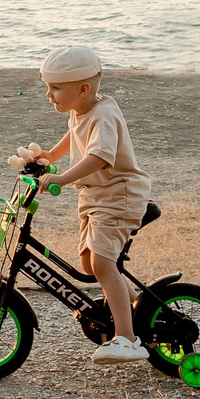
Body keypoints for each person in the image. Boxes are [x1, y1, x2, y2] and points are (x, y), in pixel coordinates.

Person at [23, 44, 152, 363]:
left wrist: (61, 178)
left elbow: (99, 155)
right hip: (98, 197)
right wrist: (50, 156)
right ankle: (136, 303)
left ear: (82, 89)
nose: (48, 95)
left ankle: (127, 338)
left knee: (103, 264)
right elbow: (74, 135)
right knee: (88, 262)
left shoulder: (104, 115)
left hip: (118, 196)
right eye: (47, 87)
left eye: (54, 88)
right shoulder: (81, 111)